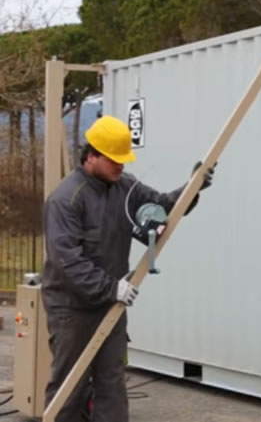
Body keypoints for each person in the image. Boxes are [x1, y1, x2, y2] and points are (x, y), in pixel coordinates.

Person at [41, 115, 215, 422]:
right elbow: (66, 259)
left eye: (124, 160)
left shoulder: (126, 188)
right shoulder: (66, 199)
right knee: (71, 385)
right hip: (72, 309)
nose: (120, 166)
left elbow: (164, 207)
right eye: (114, 160)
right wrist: (111, 287)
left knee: (112, 382)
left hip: (112, 304)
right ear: (92, 155)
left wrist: (193, 188)